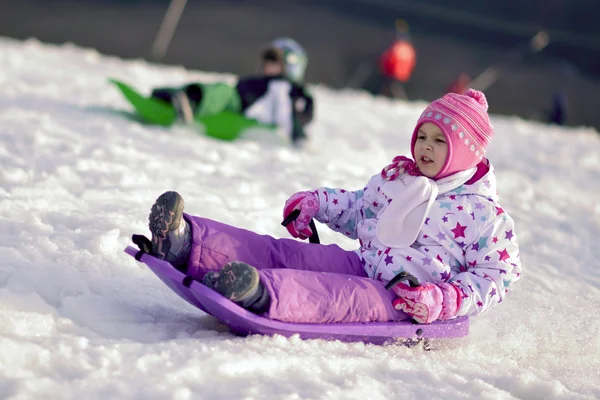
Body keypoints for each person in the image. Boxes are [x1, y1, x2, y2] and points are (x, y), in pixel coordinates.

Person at [137, 89, 521, 325]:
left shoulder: (484, 216)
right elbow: (359, 210)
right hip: (363, 263)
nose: (424, 147)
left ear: (465, 151)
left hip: (403, 298)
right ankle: (189, 242)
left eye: (440, 141)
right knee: (286, 253)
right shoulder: (402, 179)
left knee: (329, 294)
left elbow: (497, 275)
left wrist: (444, 299)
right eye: (422, 135)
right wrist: (317, 203)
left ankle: (256, 292)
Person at [150, 37, 314, 146]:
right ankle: (171, 98)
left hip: (242, 108)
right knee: (218, 91)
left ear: (290, 68)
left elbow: (291, 115)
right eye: (267, 62)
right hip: (237, 101)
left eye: (275, 63)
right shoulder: (260, 81)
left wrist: (299, 137)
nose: (268, 67)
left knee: (222, 91)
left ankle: (189, 102)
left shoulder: (284, 88)